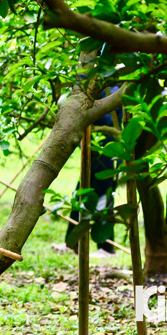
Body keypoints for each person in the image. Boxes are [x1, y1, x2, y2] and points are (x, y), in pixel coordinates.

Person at [51, 86, 121, 259]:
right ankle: (72, 243)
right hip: (91, 151)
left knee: (103, 198)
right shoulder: (92, 87)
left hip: (107, 151)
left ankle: (106, 246)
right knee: (81, 193)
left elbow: (105, 117)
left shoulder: (115, 90)